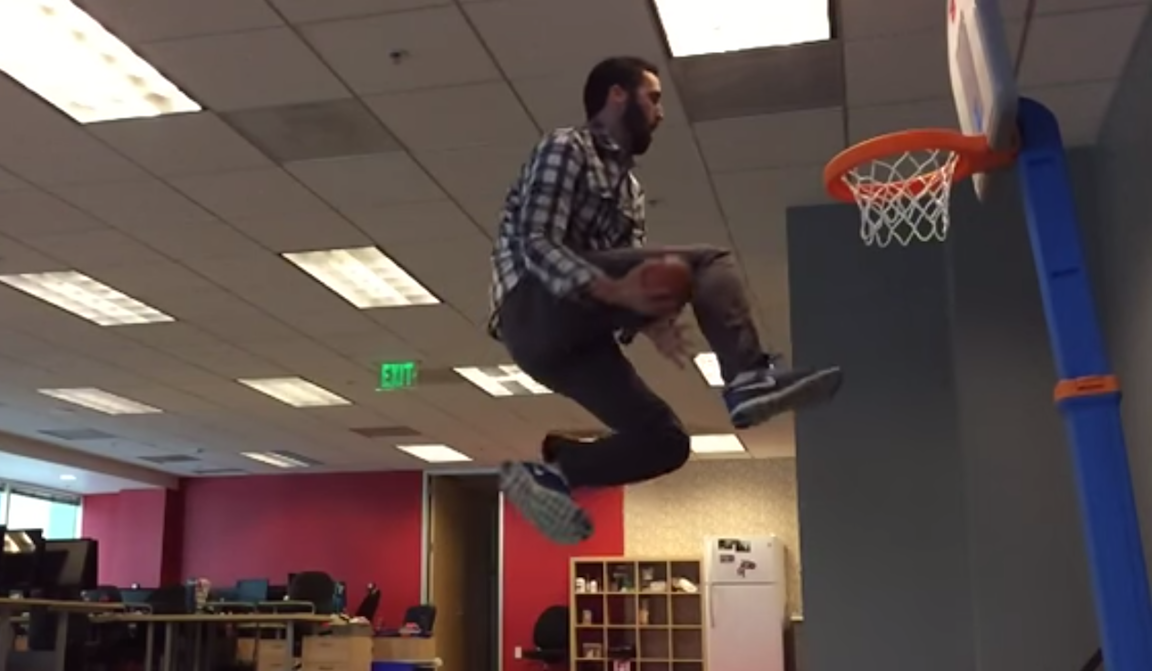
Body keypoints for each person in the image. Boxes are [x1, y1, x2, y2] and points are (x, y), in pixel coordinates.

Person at [487, 55, 843, 544]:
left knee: (665, 442)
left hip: (576, 341)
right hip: (531, 308)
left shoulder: (630, 192)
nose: (660, 112)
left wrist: (652, 316)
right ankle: (747, 378)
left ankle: (556, 473)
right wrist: (613, 289)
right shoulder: (566, 147)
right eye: (653, 98)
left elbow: (629, 275)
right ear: (617, 95)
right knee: (707, 260)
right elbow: (537, 242)